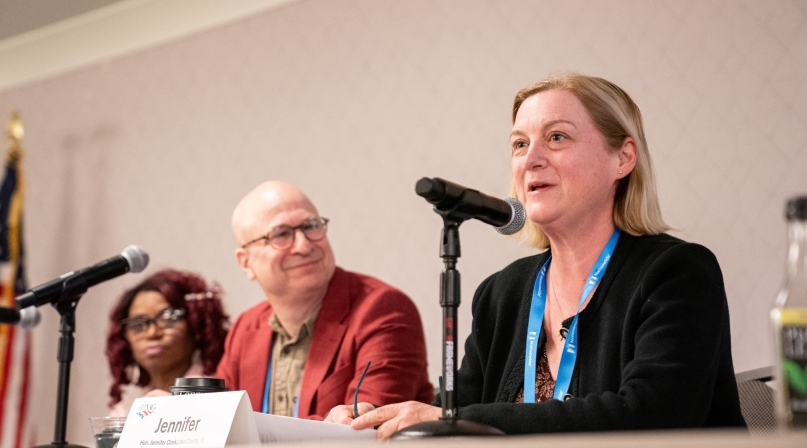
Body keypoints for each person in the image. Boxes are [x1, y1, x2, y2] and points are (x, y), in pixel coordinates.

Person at [327, 73, 746, 437]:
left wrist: (451, 419)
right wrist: (382, 419)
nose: (531, 159)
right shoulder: (502, 293)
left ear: (623, 158)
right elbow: (458, 411)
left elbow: (654, 415)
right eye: (519, 144)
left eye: (557, 137)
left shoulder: (676, 273)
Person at [216, 180, 433, 419]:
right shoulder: (245, 328)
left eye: (310, 226)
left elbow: (366, 428)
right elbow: (215, 420)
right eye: (281, 234)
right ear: (246, 262)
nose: (304, 245)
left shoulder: (384, 309)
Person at [106, 269, 229, 417]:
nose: (152, 333)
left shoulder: (219, 396)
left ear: (196, 324)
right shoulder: (126, 411)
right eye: (138, 323)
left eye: (168, 318)